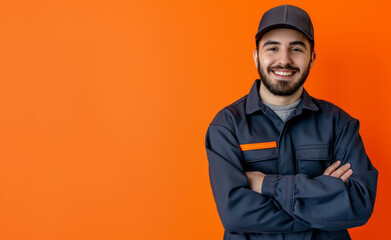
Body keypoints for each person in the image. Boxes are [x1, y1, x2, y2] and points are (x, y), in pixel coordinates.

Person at [205, 5, 378, 240]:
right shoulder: (227, 126)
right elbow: (234, 214)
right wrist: (322, 204)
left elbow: (359, 205)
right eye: (272, 48)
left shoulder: (340, 124)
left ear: (312, 58)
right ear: (256, 56)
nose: (284, 60)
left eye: (296, 49)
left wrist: (266, 184)